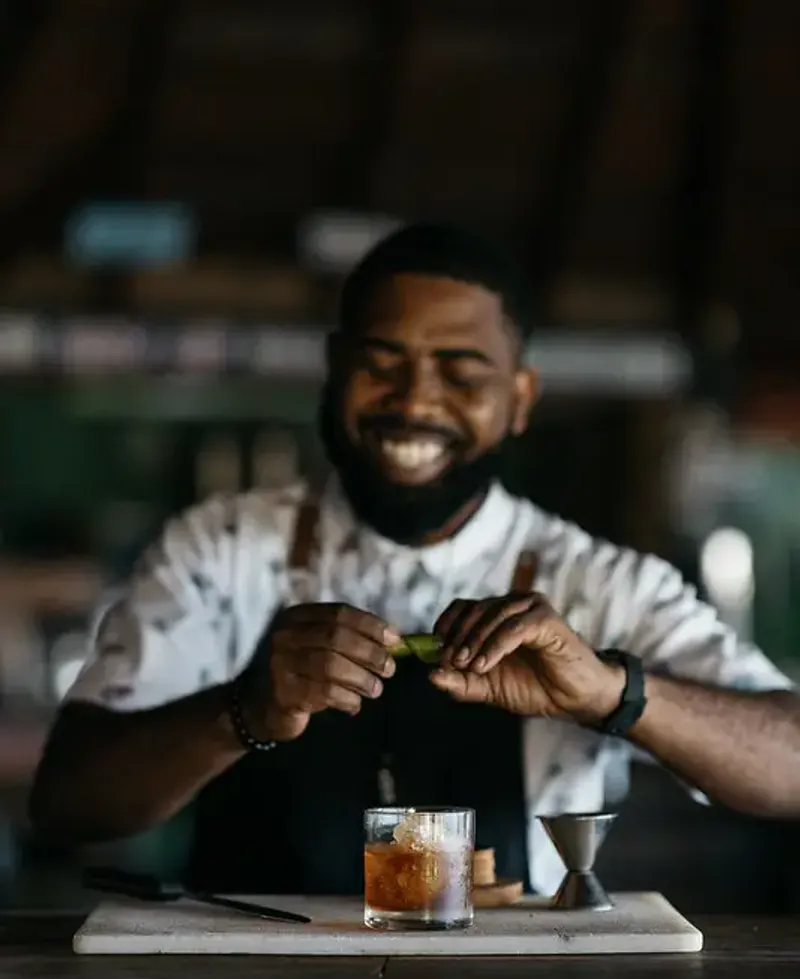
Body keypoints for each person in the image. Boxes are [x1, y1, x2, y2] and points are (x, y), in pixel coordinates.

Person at [28, 223, 800, 897]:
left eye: (462, 374)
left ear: (521, 396)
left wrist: (611, 691)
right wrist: (244, 710)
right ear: (336, 367)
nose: (415, 400)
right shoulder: (221, 552)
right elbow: (68, 803)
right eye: (381, 362)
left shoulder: (599, 584)